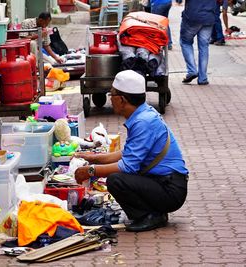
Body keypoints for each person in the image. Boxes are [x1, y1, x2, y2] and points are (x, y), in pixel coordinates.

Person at [74, 70, 189, 232]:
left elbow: (128, 166)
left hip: (171, 189)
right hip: (165, 183)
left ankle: (149, 216)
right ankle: (153, 211)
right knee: (118, 176)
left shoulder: (143, 121)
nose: (110, 99)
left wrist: (91, 171)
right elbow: (127, 153)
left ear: (121, 100)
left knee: (116, 180)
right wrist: (94, 158)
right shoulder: (143, 113)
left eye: (111, 95)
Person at [180, 0, 216, 85]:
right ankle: (202, 78)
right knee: (204, 46)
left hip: (192, 16)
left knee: (185, 42)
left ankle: (192, 70)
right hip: (209, 16)